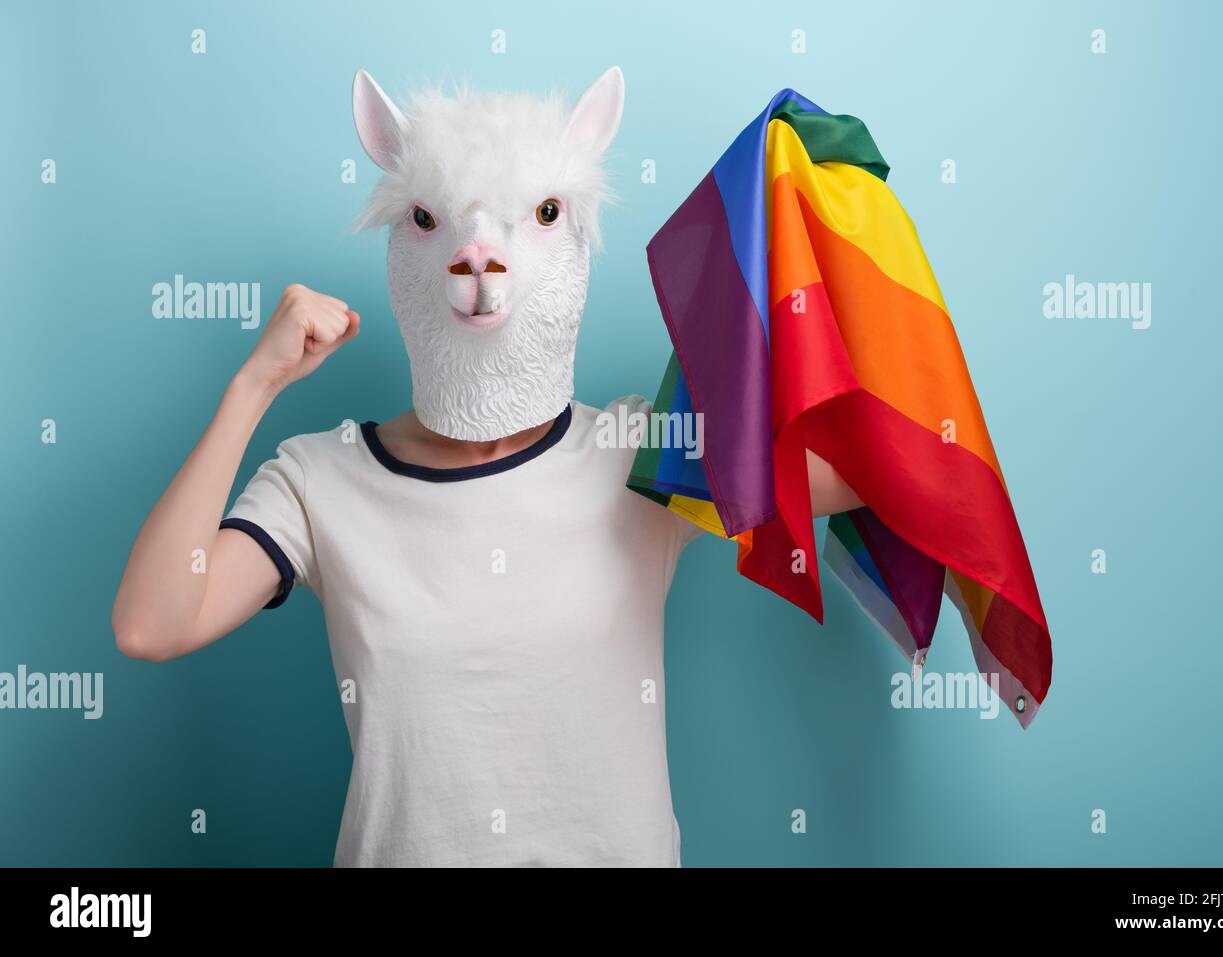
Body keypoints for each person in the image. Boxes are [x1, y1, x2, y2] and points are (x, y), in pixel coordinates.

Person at [110, 67, 862, 867]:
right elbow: (151, 623)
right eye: (430, 218)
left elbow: (865, 474)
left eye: (540, 213)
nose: (480, 258)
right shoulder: (319, 480)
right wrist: (252, 385)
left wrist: (808, 250)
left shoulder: (640, 451)